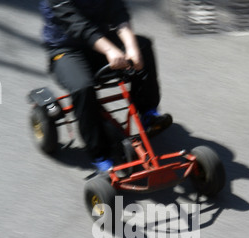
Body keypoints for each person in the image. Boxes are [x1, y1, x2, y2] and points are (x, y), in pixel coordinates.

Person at [39, 0, 172, 171]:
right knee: (82, 87)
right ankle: (100, 154)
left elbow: (118, 11)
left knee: (143, 47)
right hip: (66, 50)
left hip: (100, 43)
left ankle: (148, 114)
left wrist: (132, 48)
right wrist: (109, 50)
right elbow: (78, 25)